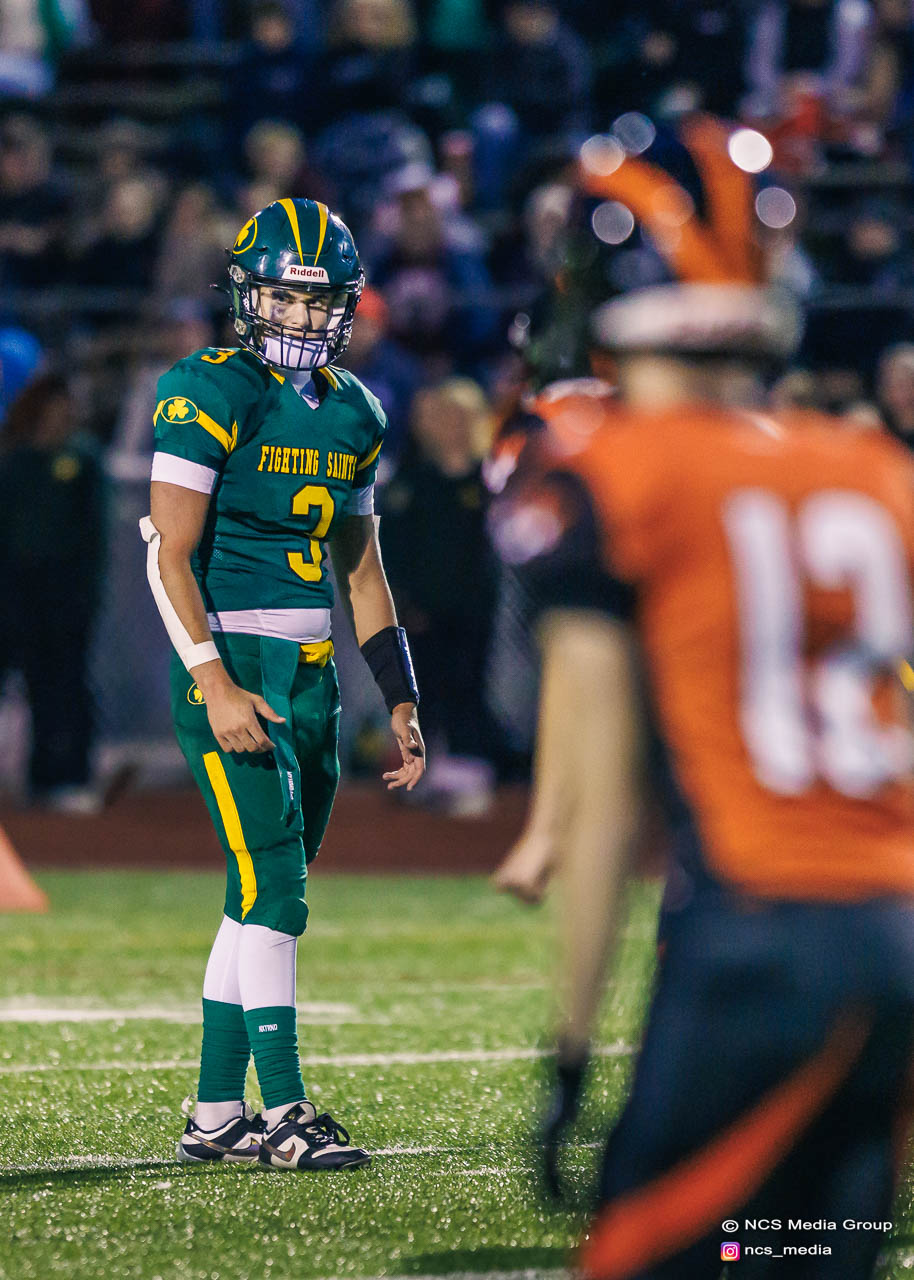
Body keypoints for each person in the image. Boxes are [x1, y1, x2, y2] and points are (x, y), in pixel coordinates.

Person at [493, 115, 914, 1277]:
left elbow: (600, 799)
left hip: (759, 939)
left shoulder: (609, 474)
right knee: (802, 1250)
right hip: (896, 937)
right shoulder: (874, 469)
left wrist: (569, 1054)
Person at [141, 197, 425, 1171]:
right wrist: (214, 681)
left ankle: (218, 1113)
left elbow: (361, 567)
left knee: (255, 892)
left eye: (319, 302)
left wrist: (398, 692)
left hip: (312, 675)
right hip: (235, 661)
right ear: (246, 295)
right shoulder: (208, 388)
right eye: (285, 298)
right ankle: (287, 1109)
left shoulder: (357, 411)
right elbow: (167, 553)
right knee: (277, 892)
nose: (302, 318)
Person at [0, 372, 105, 809]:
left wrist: (88, 593)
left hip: (66, 587)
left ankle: (69, 773)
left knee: (67, 681)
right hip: (17, 587)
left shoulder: (83, 459)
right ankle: (37, 775)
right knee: (31, 680)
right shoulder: (17, 461)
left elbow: (94, 533)